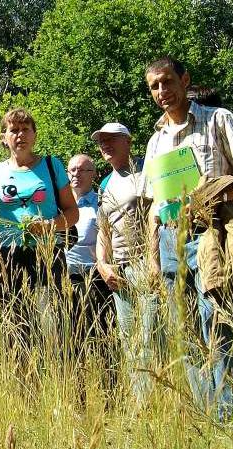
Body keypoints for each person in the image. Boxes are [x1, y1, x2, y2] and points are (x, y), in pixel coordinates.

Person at [142, 57, 233, 420]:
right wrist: (153, 252)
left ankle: (232, 418)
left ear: (184, 80)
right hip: (169, 240)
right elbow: (154, 202)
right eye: (154, 86)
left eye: (167, 82)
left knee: (219, 324)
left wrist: (212, 197)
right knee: (186, 332)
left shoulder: (217, 119)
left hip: (212, 235)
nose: (162, 91)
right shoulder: (155, 140)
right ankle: (208, 415)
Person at [0, 107, 78, 351]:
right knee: (17, 328)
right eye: (13, 130)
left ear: (34, 135)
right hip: (8, 256)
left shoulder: (52, 166)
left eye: (25, 130)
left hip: (48, 252)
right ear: (4, 137)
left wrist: (49, 226)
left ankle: (61, 378)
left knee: (55, 324)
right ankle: (24, 384)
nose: (20, 135)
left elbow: (73, 212)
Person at [91, 122, 157, 407]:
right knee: (130, 338)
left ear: (128, 141)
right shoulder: (106, 182)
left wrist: (155, 261)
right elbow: (103, 227)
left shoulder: (146, 172)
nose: (105, 144)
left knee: (152, 334)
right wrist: (102, 263)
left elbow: (160, 216)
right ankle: (141, 404)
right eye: (101, 141)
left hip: (145, 263)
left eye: (112, 139)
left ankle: (158, 400)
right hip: (119, 269)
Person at [64, 154, 114, 397]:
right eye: (72, 169)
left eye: (83, 170)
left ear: (93, 175)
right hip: (65, 278)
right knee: (72, 338)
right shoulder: (59, 205)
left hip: (95, 278)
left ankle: (110, 393)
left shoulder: (100, 203)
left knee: (102, 336)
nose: (76, 174)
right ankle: (78, 395)